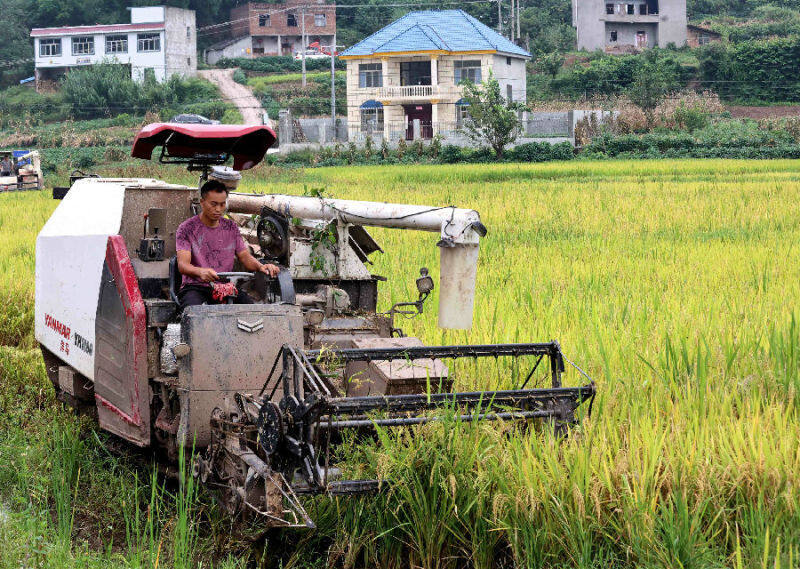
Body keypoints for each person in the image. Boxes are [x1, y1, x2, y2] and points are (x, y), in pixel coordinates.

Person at [176, 179, 279, 308]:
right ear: (202, 202)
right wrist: (200, 272)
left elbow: (245, 257)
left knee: (251, 311)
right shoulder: (187, 228)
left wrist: (261, 267)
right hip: (196, 287)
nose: (218, 209)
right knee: (194, 313)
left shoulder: (231, 227)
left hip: (227, 287)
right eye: (213, 204)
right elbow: (183, 265)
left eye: (222, 204)